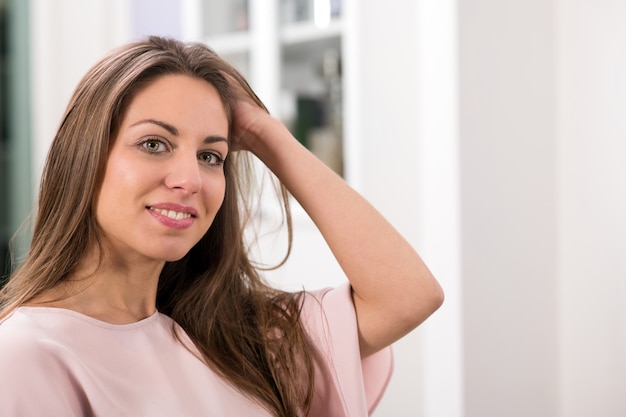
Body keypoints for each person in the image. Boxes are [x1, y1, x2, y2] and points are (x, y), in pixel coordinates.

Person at [0, 36, 443, 417]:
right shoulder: (27, 354)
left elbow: (408, 296)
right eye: (154, 144)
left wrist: (266, 133)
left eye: (211, 156)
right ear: (84, 157)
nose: (190, 180)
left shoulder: (234, 340)